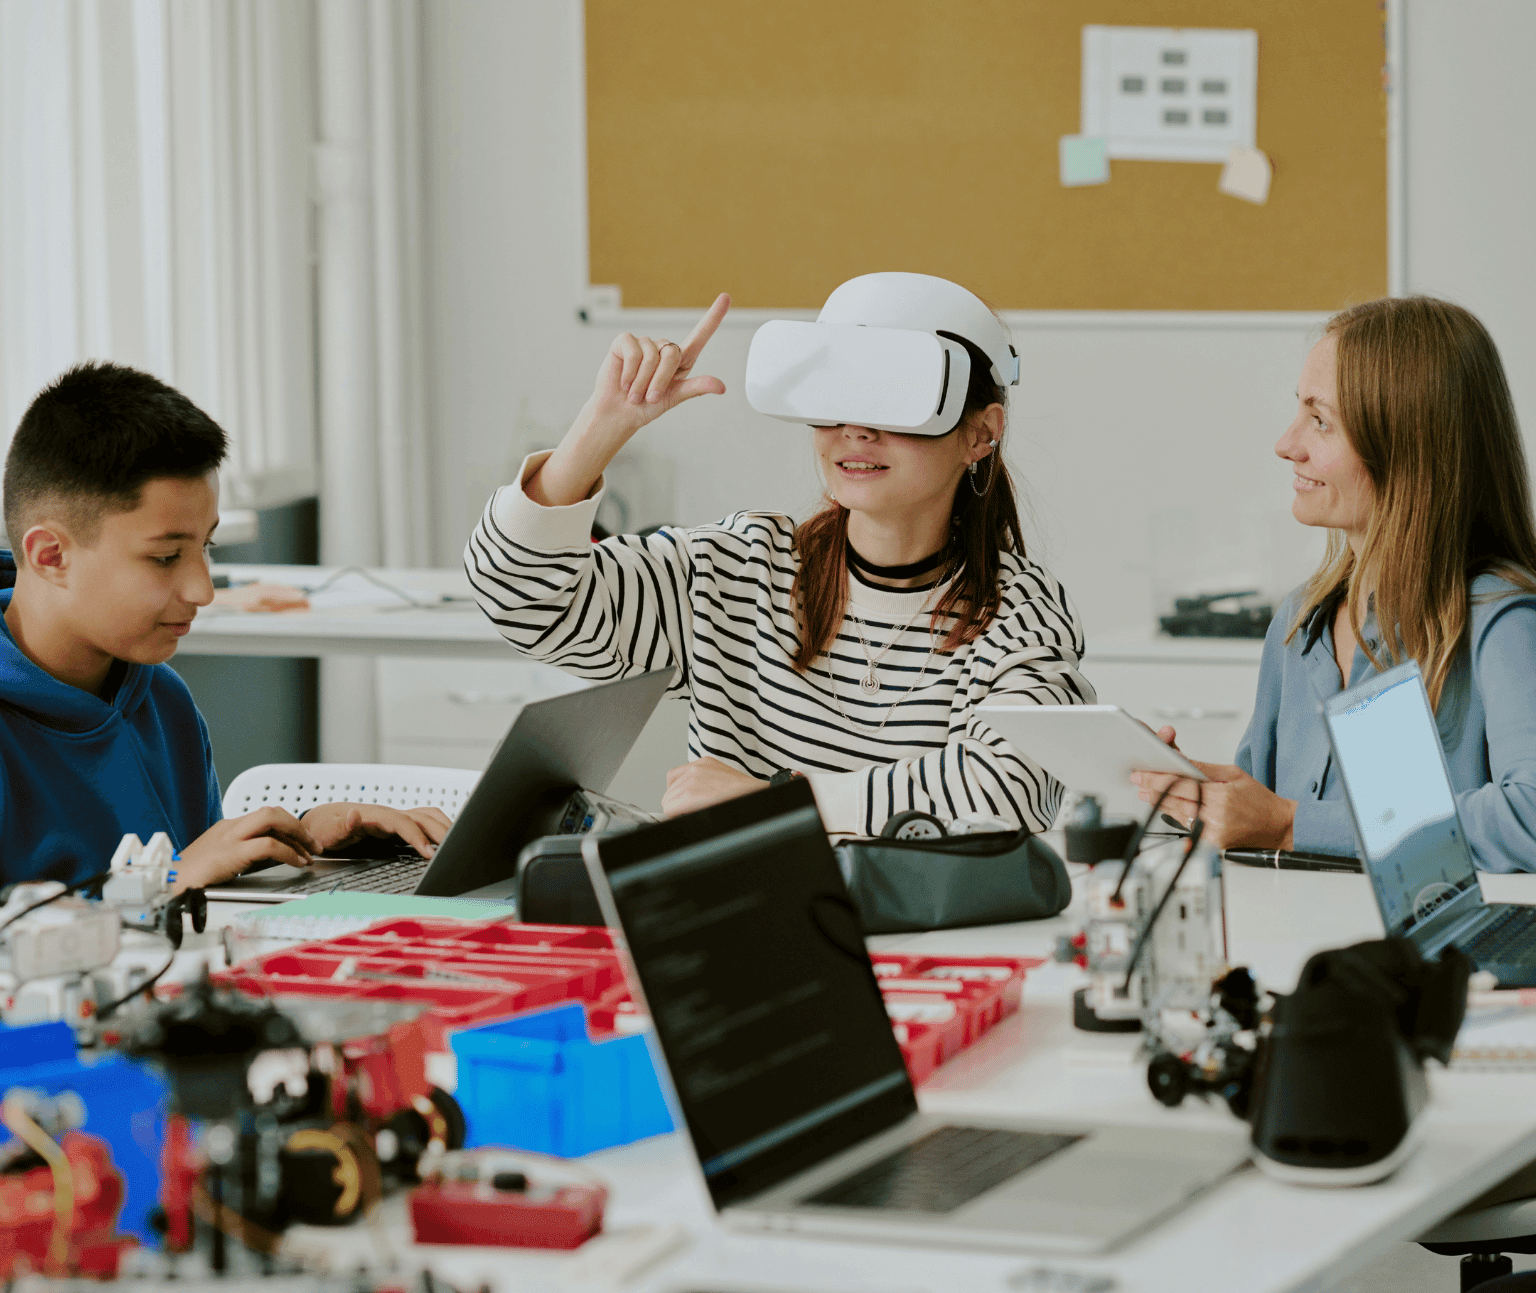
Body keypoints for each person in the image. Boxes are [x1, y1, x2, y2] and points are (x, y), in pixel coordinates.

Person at [465, 275, 1093, 836]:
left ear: (980, 434)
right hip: (731, 923)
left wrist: (772, 804)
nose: (856, 428)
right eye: (835, 393)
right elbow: (525, 602)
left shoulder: (1019, 613)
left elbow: (1012, 789)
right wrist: (600, 430)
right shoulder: (745, 570)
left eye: (897, 398)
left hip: (922, 943)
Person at [1, 361, 451, 890]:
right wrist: (165, 881)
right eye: (167, 556)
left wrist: (301, 843)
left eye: (206, 546)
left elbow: (199, 883)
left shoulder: (163, 701)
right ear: (51, 555)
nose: (203, 590)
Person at [1133, 296, 1536, 871]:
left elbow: (1531, 817)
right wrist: (1208, 799)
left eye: (1320, 421)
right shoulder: (1299, 623)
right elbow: (1272, 811)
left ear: (1406, 447)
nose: (1286, 444)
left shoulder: (1502, 621)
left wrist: (1295, 824)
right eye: (1299, 412)